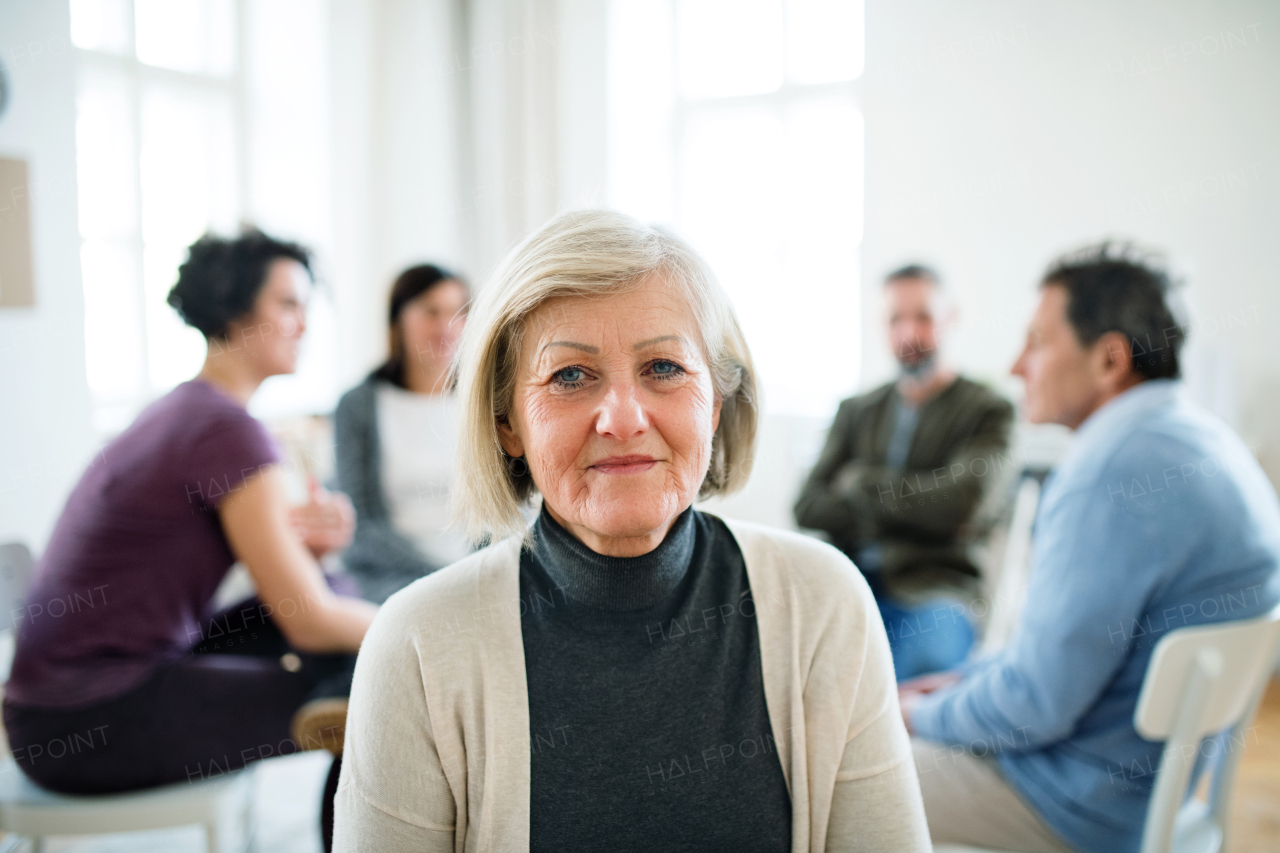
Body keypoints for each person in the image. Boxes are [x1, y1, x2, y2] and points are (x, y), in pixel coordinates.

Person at [333, 210, 930, 851]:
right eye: (569, 376)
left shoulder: (825, 605)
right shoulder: (416, 645)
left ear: (717, 402)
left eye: (664, 368)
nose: (622, 418)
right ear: (508, 424)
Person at [3, 229, 378, 852]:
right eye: (287, 304)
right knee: (373, 685)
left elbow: (290, 589)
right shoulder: (223, 429)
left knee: (341, 611)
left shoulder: (189, 410)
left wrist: (304, 553)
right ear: (235, 310)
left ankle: (351, 702)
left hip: (65, 699)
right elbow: (308, 622)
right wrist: (418, 635)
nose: (305, 324)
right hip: (86, 717)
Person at [900, 244, 1280, 853]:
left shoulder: (1108, 473)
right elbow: (1052, 662)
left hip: (1072, 811)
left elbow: (1033, 705)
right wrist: (960, 682)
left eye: (1037, 341)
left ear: (1109, 359)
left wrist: (916, 715)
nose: (1017, 365)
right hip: (1154, 797)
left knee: (834, 773)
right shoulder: (1212, 444)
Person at [794, 264, 1013, 679]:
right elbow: (808, 505)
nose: (909, 334)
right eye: (897, 320)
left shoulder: (988, 411)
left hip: (937, 592)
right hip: (848, 580)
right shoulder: (856, 410)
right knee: (785, 665)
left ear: (950, 318)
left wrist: (860, 483)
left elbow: (960, 505)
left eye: (924, 318)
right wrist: (922, 509)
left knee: (879, 687)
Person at [334, 265, 472, 604]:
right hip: (390, 576)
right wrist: (440, 574)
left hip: (477, 569)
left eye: (458, 313)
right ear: (398, 320)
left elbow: (507, 509)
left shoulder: (484, 401)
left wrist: (475, 569)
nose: (446, 327)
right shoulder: (359, 406)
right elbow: (360, 525)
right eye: (431, 312)